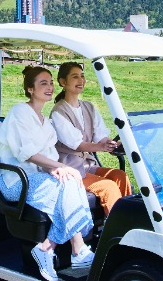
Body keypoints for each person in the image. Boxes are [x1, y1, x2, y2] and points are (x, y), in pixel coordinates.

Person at [0, 65, 95, 281]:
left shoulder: (46, 122)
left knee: (70, 183)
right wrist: (59, 167)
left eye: (50, 82)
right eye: (42, 83)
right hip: (14, 179)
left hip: (37, 178)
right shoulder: (20, 112)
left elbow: (50, 158)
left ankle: (49, 248)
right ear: (30, 89)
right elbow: (28, 153)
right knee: (67, 183)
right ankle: (76, 248)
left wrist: (58, 169)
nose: (49, 87)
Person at [51, 61, 132, 214]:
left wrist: (112, 144)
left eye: (82, 76)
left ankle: (129, 218)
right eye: (75, 77)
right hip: (69, 168)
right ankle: (115, 229)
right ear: (63, 82)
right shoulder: (58, 112)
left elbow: (101, 137)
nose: (81, 80)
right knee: (108, 186)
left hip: (87, 165)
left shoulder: (89, 107)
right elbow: (78, 145)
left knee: (120, 176)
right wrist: (102, 147)